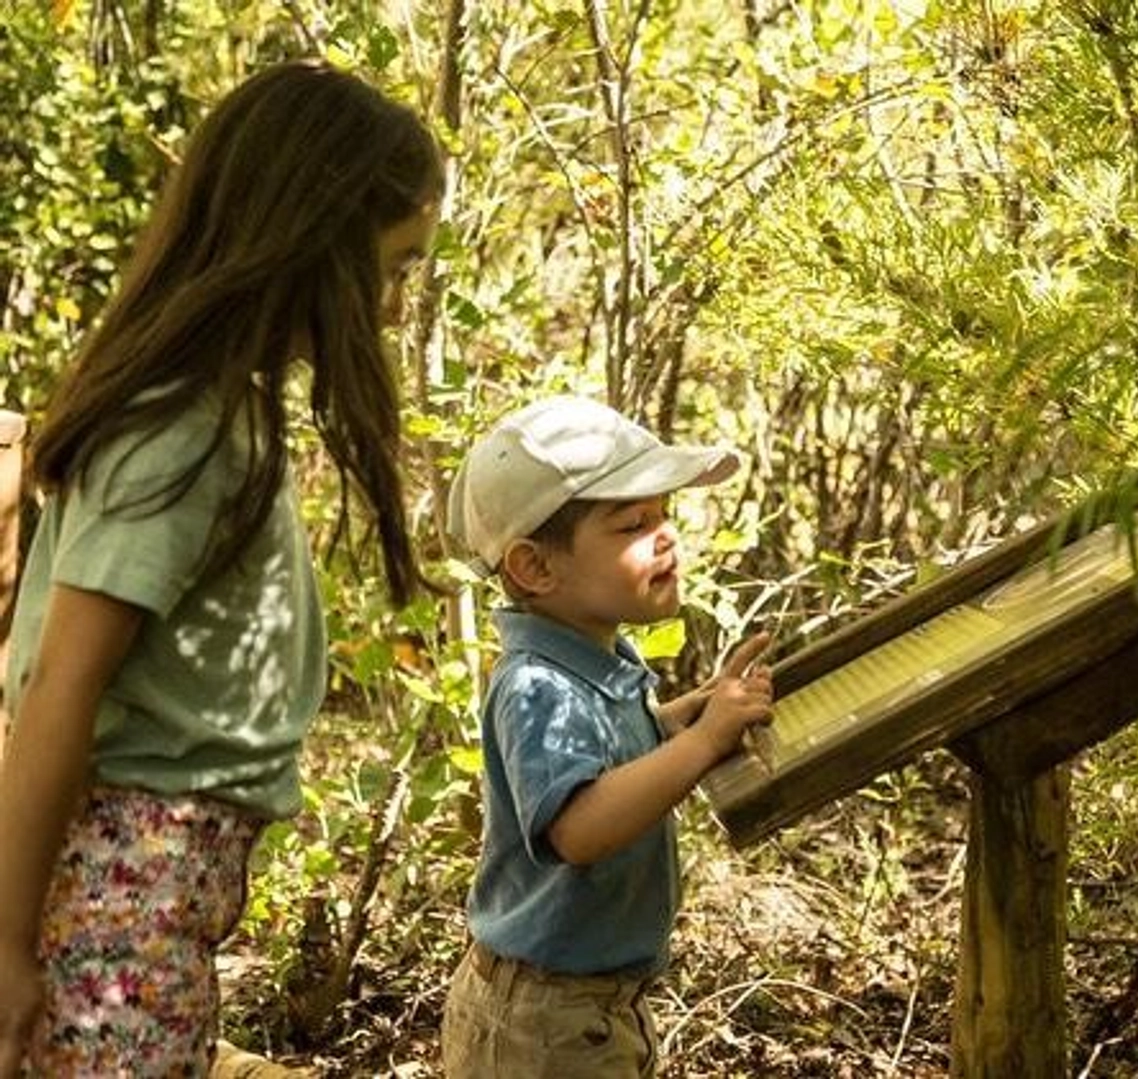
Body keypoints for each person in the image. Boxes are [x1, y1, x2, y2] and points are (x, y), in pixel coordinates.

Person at [0, 59, 441, 1077]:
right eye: (392, 268)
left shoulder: (225, 415)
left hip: (159, 900)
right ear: (309, 243)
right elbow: (63, 684)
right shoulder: (178, 430)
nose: (392, 307)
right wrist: (8, 944)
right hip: (113, 899)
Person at [441, 395, 774, 1078]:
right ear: (535, 568)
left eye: (664, 514)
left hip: (588, 1011)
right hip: (543, 1023)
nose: (667, 535)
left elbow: (608, 758)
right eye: (633, 524)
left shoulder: (594, 661)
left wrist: (681, 718)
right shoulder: (536, 684)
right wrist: (703, 742)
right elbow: (580, 828)